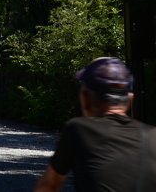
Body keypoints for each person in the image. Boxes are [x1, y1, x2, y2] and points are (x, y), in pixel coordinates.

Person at [34, 57, 156, 191]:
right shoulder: (152, 136)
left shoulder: (78, 130)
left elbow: (48, 186)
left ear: (85, 98)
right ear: (130, 99)